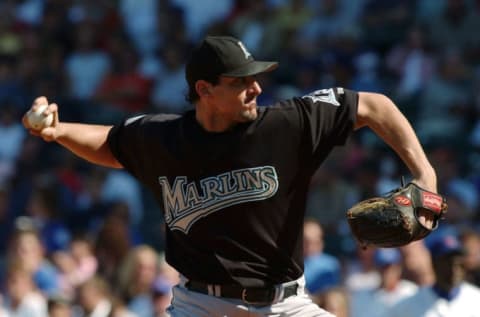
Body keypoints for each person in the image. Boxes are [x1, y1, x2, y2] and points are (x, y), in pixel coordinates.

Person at [23, 35, 438, 316]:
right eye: (240, 81)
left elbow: (376, 106)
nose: (255, 87)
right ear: (204, 90)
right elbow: (109, 142)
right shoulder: (163, 137)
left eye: (255, 76)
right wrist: (58, 132)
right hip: (201, 306)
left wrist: (425, 174)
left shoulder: (288, 124)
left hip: (283, 305)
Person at [389, 233, 480, 317]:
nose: (454, 270)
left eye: (459, 264)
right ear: (434, 263)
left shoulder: (476, 299)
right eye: (447, 263)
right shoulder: (409, 305)